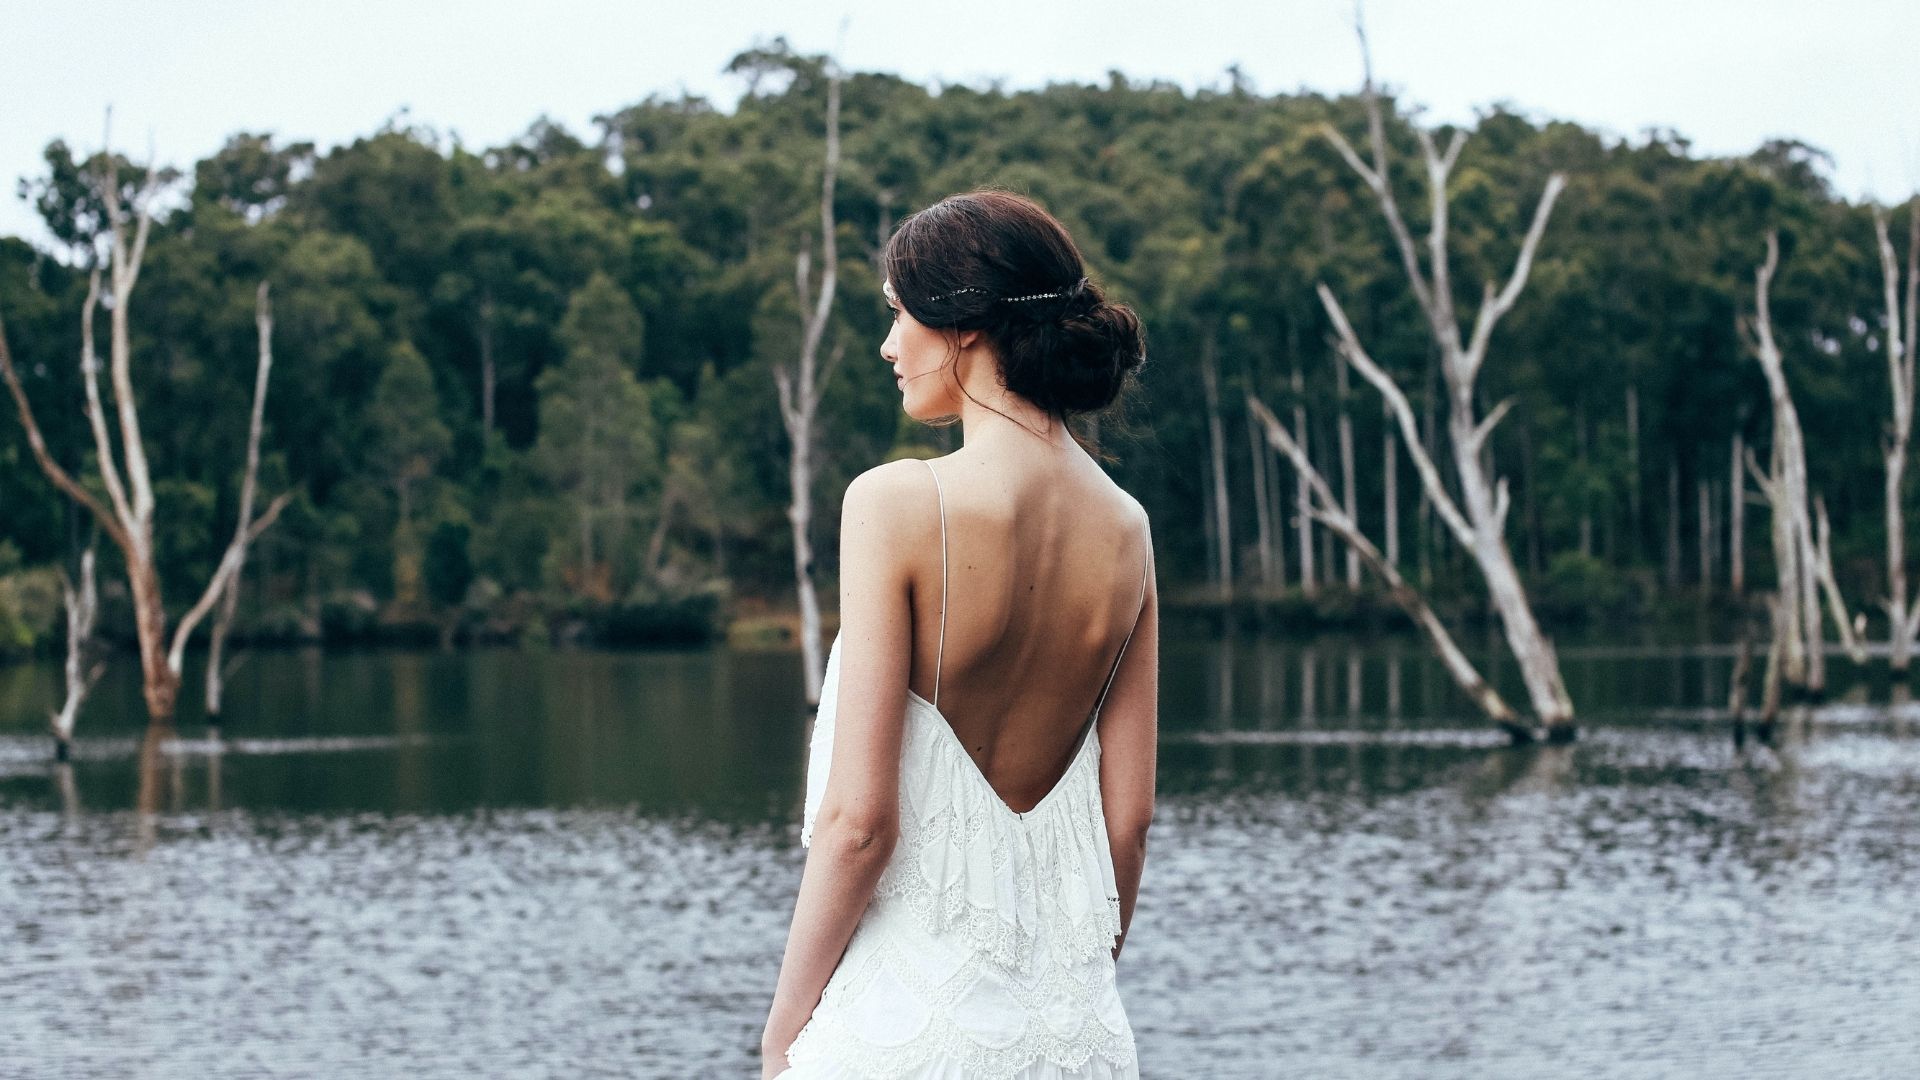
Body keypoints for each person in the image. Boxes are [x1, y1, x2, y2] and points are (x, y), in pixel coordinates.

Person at [761, 189, 1156, 1080]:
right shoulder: (1128, 529)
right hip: (1079, 1041)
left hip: (904, 1043)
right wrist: (1065, 999)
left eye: (900, 315)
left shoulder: (895, 503)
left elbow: (860, 824)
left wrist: (784, 1033)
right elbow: (1126, 821)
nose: (889, 346)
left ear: (965, 325)